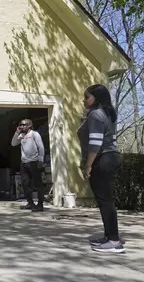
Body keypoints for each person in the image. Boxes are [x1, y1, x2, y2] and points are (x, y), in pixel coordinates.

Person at [78, 84, 124, 253]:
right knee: (105, 200)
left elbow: (95, 143)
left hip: (102, 158)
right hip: (109, 157)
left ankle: (114, 241)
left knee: (105, 201)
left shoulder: (96, 115)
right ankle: (109, 237)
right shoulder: (104, 113)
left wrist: (88, 166)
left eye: (87, 97)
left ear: (96, 98)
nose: (84, 100)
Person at [11, 119, 45, 212]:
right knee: (25, 183)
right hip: (24, 162)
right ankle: (30, 203)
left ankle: (40, 204)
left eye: (23, 125)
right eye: (20, 125)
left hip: (34, 161)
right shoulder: (21, 135)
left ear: (29, 125)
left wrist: (41, 160)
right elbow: (13, 143)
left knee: (38, 184)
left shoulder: (34, 134)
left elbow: (41, 147)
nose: (21, 126)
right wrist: (17, 132)